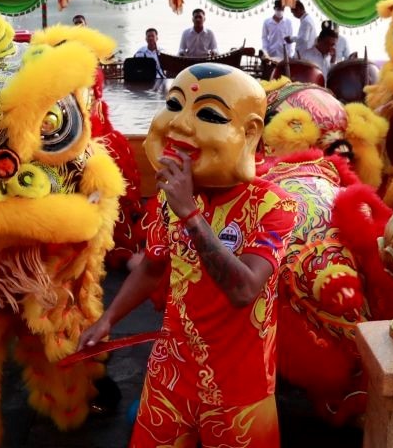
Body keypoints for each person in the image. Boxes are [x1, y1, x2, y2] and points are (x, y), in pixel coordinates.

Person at [78, 63, 298, 448]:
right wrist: (107, 319)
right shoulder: (171, 196)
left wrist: (191, 215)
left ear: (249, 134)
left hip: (239, 388)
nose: (179, 124)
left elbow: (244, 290)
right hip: (171, 373)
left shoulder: (273, 205)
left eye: (209, 114)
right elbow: (152, 266)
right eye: (174, 104)